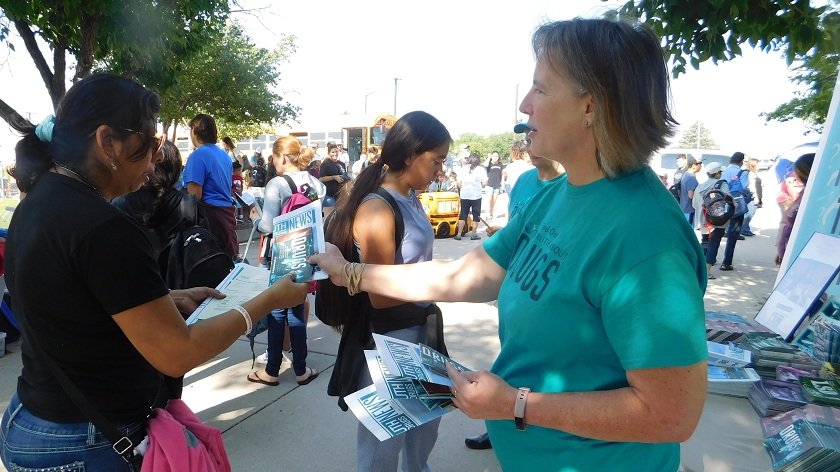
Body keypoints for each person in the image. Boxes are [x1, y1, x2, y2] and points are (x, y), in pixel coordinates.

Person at [311, 18, 706, 471]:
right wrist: (351, 273)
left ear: (591, 106)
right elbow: (466, 276)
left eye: (540, 88)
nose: (525, 104)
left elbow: (670, 414)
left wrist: (516, 405)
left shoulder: (645, 239)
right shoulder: (559, 195)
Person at [0, 74, 308, 471]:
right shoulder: (104, 227)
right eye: (149, 142)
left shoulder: (38, 202)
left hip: (38, 416)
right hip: (83, 440)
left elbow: (67, 302)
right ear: (107, 141)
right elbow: (177, 354)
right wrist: (267, 300)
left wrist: (163, 299)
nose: (156, 158)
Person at [325, 111, 451, 471]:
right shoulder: (378, 208)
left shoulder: (409, 198)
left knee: (423, 434)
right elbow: (380, 296)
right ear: (411, 154)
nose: (440, 169)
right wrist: (438, 279)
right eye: (436, 159)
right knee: (382, 448)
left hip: (420, 334)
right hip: (387, 344)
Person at [467, 139, 565, 451]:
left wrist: (516, 405)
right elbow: (515, 233)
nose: (529, 140)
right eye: (524, 135)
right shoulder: (525, 182)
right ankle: (501, 426)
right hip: (516, 294)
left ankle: (512, 418)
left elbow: (665, 413)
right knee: (511, 356)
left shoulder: (571, 192)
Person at [249, 136, 326, 386]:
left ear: (281, 157)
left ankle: (272, 370)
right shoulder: (316, 184)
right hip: (304, 255)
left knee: (276, 312)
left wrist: (254, 218)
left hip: (278, 258)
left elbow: (267, 226)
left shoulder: (276, 184)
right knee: (296, 312)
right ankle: (301, 369)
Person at [183, 114, 239, 258]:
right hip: (227, 214)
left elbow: (194, 196)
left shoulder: (197, 156)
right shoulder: (224, 155)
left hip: (210, 217)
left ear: (195, 131)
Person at [776, 153, 815, 265]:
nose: (795, 173)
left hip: (799, 254)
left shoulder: (811, 194)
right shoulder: (805, 192)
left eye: (796, 170)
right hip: (789, 251)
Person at [692, 162, 728, 279]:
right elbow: (729, 201)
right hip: (717, 221)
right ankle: (706, 272)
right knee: (714, 245)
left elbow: (694, 204)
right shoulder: (721, 185)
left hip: (703, 221)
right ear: (717, 173)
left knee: (705, 242)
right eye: (720, 172)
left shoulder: (699, 186)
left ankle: (698, 269)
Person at [718, 151, 750, 271]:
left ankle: (711, 259)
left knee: (718, 232)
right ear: (741, 161)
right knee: (733, 234)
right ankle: (726, 262)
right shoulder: (743, 172)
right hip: (736, 204)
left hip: (723, 202)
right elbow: (745, 187)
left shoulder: (724, 171)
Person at [455, 153, 487, 240]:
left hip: (465, 194)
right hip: (476, 195)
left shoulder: (463, 169)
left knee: (463, 214)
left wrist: (464, 189)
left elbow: (458, 182)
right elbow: (484, 183)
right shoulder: (481, 169)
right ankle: (474, 234)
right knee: (476, 214)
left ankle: (458, 234)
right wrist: (479, 185)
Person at [319, 144, 349, 217]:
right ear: (329, 153)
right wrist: (333, 177)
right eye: (332, 152)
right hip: (329, 195)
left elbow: (344, 175)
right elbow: (320, 179)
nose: (335, 154)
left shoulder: (341, 163)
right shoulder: (325, 163)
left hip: (341, 195)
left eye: (336, 151)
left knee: (340, 217)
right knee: (329, 218)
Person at [740, 158, 763, 237]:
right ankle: (744, 229)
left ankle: (745, 228)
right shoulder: (751, 175)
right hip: (752, 196)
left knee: (748, 214)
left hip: (752, 196)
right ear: (754, 165)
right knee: (749, 214)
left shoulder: (752, 173)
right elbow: (753, 187)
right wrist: (756, 197)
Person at [679, 155, 701, 224]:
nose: (701, 166)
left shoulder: (686, 174)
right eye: (700, 164)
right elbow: (691, 195)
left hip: (685, 207)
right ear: (694, 165)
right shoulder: (691, 177)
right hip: (689, 209)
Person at [485, 152, 505, 219]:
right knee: (489, 200)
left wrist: (502, 184)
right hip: (489, 184)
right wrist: (488, 157)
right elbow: (485, 165)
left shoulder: (500, 164)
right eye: (494, 156)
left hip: (497, 185)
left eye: (497, 156)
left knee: (494, 200)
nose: (495, 157)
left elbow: (502, 175)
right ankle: (487, 214)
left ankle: (491, 213)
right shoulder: (489, 164)